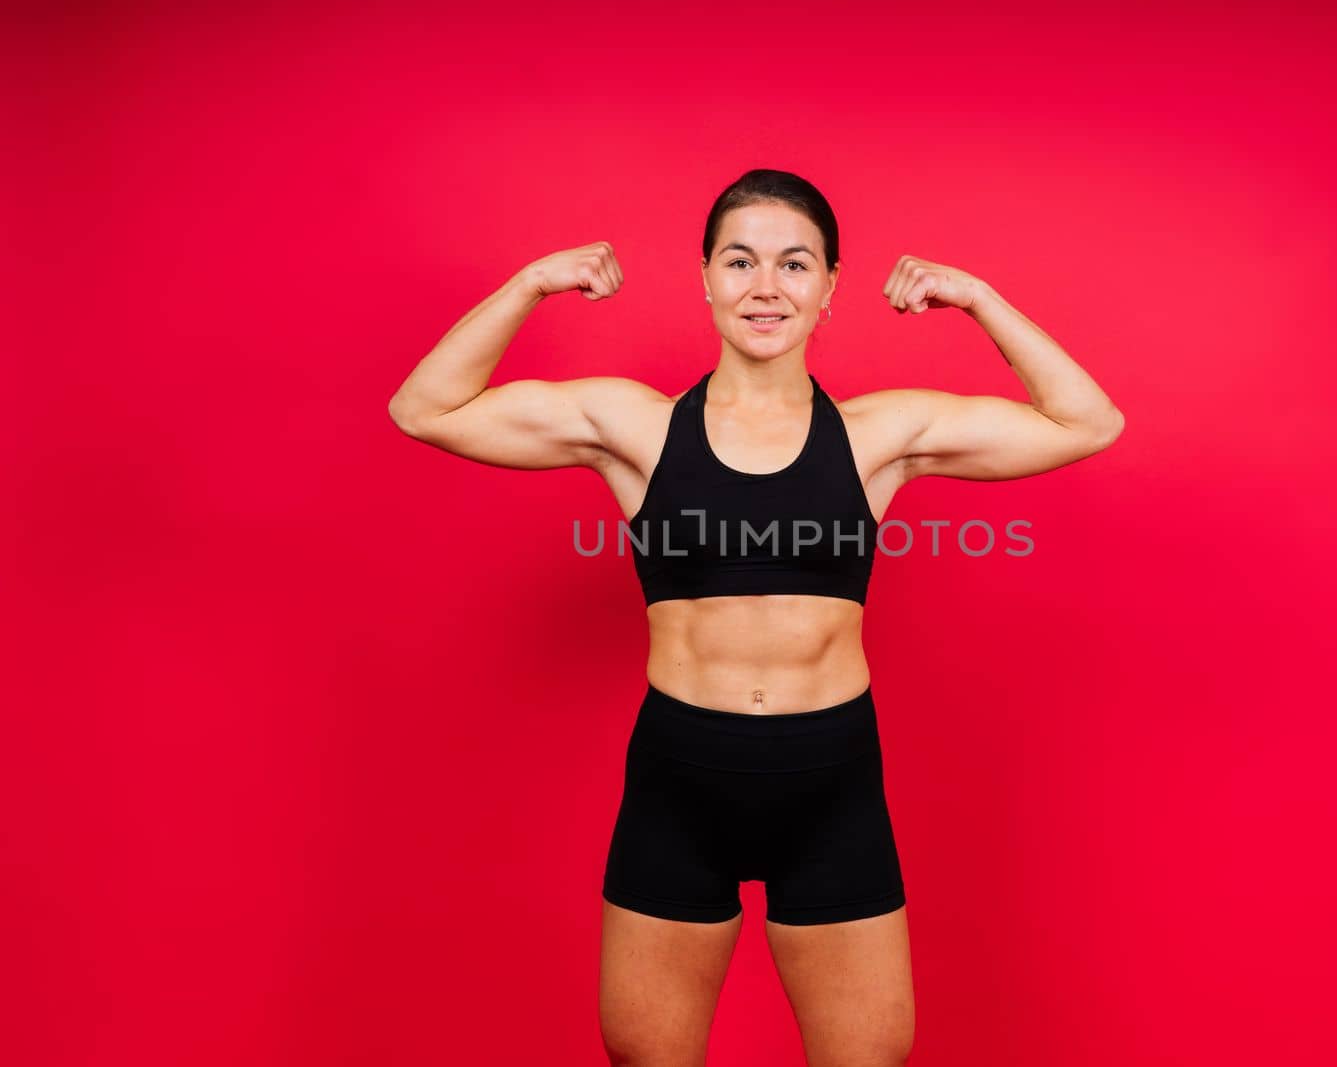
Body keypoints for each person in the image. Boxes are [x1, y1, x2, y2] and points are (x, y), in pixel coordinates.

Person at [387, 169, 1124, 1067]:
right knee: (647, 1057)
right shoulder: (639, 428)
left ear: (828, 289)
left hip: (832, 785)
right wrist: (532, 283)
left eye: (794, 264)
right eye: (740, 262)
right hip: (680, 782)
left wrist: (977, 298)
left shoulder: (874, 436)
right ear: (705, 278)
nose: (765, 287)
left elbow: (1086, 421)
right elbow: (424, 407)